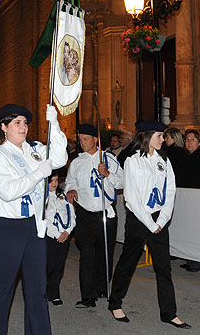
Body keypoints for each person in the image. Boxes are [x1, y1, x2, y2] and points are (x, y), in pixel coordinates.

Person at [0, 104, 67, 335]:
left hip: (34, 225)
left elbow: (60, 156)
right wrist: (39, 173)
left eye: (25, 123)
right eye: (16, 122)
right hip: (7, 227)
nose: (23, 127)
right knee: (2, 289)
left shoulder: (34, 149)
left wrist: (55, 125)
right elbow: (8, 191)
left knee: (37, 290)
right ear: (4, 127)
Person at [108, 120, 190, 329]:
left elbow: (170, 191)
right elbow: (131, 198)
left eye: (163, 136)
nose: (163, 139)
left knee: (163, 267)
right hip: (139, 218)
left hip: (158, 218)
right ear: (147, 137)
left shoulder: (164, 160)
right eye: (159, 136)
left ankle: (169, 313)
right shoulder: (133, 161)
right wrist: (150, 224)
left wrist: (161, 219)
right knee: (128, 260)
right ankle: (115, 302)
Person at [66, 123, 124, 308]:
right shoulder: (76, 162)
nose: (82, 143)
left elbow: (122, 181)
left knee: (104, 253)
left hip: (105, 214)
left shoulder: (109, 158)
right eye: (80, 139)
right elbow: (69, 182)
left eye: (85, 139)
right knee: (87, 255)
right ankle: (87, 296)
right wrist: (71, 190)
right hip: (84, 214)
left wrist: (107, 174)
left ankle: (102, 288)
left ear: (95, 139)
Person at [177, 129, 200, 272]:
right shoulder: (186, 157)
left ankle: (199, 261)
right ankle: (190, 258)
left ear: (199, 143)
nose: (188, 142)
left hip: (198, 199)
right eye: (187, 140)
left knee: (197, 231)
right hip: (187, 199)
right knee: (188, 230)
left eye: (192, 140)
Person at [45, 171, 76, 306]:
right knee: (48, 265)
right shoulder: (42, 198)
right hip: (50, 236)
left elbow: (71, 215)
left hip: (64, 236)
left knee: (59, 266)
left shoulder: (62, 196)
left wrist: (67, 232)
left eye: (56, 180)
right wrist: (56, 234)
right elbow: (43, 220)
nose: (55, 183)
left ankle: (54, 291)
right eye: (51, 180)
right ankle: (42, 290)